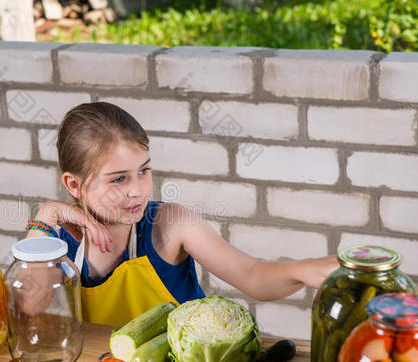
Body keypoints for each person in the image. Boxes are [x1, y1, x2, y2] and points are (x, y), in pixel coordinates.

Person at [25, 102, 338, 327]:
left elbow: (253, 276)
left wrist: (304, 271)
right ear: (74, 185)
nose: (137, 190)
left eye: (144, 171)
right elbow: (28, 304)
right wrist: (45, 216)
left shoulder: (170, 225)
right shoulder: (55, 244)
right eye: (119, 178)